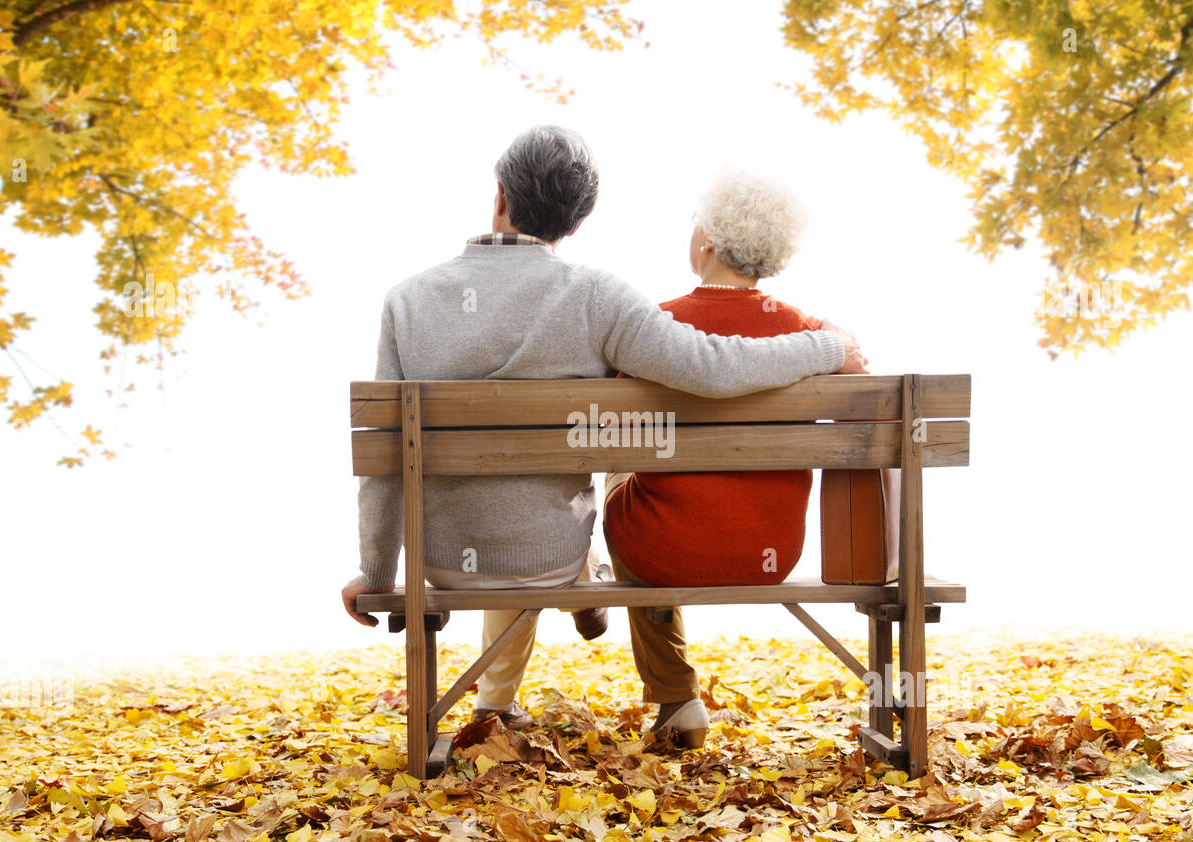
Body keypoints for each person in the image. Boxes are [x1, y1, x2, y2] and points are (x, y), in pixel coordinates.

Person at [340, 127, 867, 730]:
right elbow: (711, 366)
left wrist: (379, 576)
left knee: (552, 487)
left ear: (500, 197)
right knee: (567, 491)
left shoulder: (405, 301)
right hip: (549, 560)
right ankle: (581, 589)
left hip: (442, 559)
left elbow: (381, 464)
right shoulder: (597, 298)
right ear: (577, 223)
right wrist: (826, 347)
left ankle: (506, 695)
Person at [601, 169, 869, 748]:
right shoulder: (808, 332)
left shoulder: (657, 326)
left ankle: (675, 697)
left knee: (618, 478)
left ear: (709, 243)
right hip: (768, 553)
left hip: (664, 551)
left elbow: (609, 423)